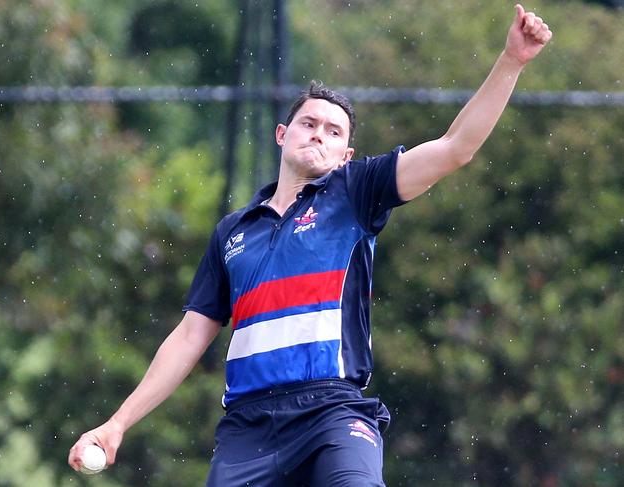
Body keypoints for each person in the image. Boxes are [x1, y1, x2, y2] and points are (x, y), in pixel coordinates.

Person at [69, 4, 552, 485]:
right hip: (248, 428)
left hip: (333, 413)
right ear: (282, 135)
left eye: (334, 131)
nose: (319, 134)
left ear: (347, 154)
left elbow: (455, 148)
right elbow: (190, 337)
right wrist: (117, 423)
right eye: (309, 123)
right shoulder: (233, 233)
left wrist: (511, 61)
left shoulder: (355, 192)